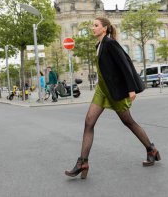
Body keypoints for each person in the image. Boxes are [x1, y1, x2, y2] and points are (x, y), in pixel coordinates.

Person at [65, 17, 160, 179]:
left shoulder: (110, 43)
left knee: (128, 122)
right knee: (89, 122)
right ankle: (83, 162)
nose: (92, 28)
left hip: (115, 90)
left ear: (105, 28)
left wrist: (131, 89)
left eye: (96, 25)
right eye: (92, 25)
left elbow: (125, 64)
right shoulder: (99, 45)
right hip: (102, 90)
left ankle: (151, 149)